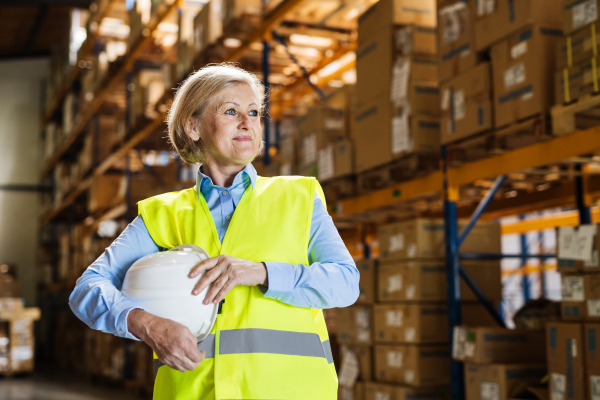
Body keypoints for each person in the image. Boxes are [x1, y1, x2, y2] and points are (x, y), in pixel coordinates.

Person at [69, 63, 360, 400]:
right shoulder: (163, 215)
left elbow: (345, 282)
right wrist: (146, 324)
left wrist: (262, 273)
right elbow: (87, 290)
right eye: (231, 111)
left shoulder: (298, 197)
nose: (247, 122)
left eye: (253, 112)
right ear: (193, 126)